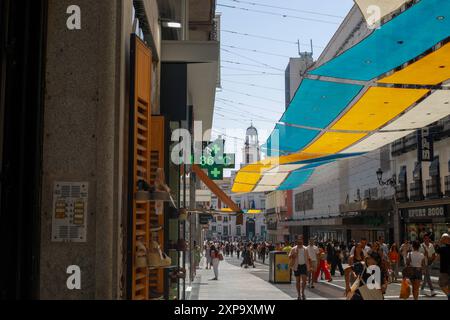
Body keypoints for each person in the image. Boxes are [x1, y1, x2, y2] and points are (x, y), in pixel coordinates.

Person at [288, 235, 311, 300]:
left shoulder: (305, 249)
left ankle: (302, 292)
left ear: (302, 241)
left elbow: (308, 258)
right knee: (297, 281)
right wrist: (294, 254)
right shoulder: (293, 249)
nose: (300, 242)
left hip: (304, 265)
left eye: (301, 241)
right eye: (298, 241)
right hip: (296, 266)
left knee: (304, 281)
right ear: (297, 241)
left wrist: (309, 267)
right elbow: (289, 257)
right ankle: (298, 295)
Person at [435, 233, 450, 300]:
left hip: (444, 270)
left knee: (441, 284)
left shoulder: (442, 248)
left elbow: (436, 256)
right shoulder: (442, 248)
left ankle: (449, 295)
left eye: (442, 238)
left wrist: (439, 242)